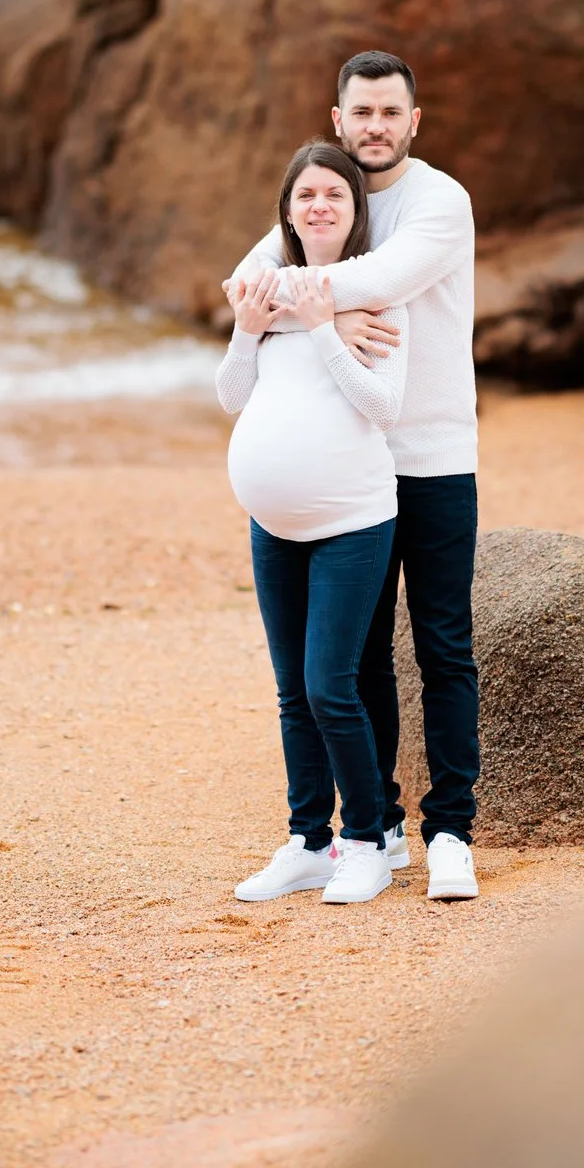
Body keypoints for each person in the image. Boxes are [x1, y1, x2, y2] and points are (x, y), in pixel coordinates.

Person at [225, 51, 481, 902]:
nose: (374, 126)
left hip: (433, 453)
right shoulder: (331, 190)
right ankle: (383, 831)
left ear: (416, 120)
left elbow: (386, 277)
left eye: (389, 112)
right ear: (338, 120)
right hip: (349, 474)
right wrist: (314, 302)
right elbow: (245, 283)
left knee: (442, 645)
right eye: (360, 112)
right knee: (360, 660)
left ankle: (451, 830)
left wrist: (308, 299)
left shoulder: (440, 201)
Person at [220, 143, 412, 904]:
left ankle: (367, 841)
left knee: (332, 685)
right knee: (291, 692)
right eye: (307, 195)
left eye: (335, 192)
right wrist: (246, 325)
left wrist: (327, 327)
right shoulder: (265, 292)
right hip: (273, 525)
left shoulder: (377, 295)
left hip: (353, 522)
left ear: (355, 209)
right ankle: (308, 840)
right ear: (289, 211)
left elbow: (383, 406)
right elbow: (233, 394)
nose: (321, 205)